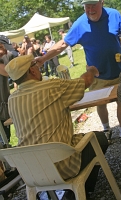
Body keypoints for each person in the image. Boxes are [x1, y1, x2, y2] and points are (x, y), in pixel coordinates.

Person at [5, 54, 108, 199]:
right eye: (36, 65)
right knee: (100, 138)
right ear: (32, 71)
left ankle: (69, 193)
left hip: (32, 170)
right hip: (62, 166)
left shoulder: (12, 100)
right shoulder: (53, 87)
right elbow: (85, 82)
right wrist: (91, 70)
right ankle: (77, 192)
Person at [36, 0, 121, 141]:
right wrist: (44, 58)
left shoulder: (114, 14)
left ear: (102, 3)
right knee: (100, 104)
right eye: (87, 6)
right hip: (97, 74)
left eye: (94, 6)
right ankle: (107, 129)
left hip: (119, 69)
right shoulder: (80, 24)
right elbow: (62, 44)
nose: (91, 10)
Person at [0, 44, 14, 143]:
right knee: (4, 140)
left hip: (3, 105)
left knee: (5, 138)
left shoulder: (3, 59)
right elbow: (8, 72)